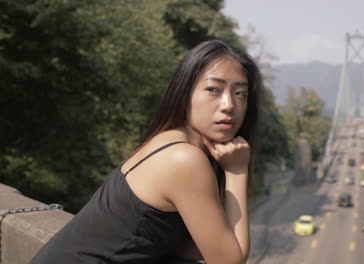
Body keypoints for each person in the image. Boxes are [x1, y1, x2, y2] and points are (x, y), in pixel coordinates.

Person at [29, 39, 261, 264]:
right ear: (185, 94)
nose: (229, 104)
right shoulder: (183, 159)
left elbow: (190, 245)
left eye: (240, 93)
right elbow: (229, 261)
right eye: (213, 89)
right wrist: (237, 171)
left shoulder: (167, 140)